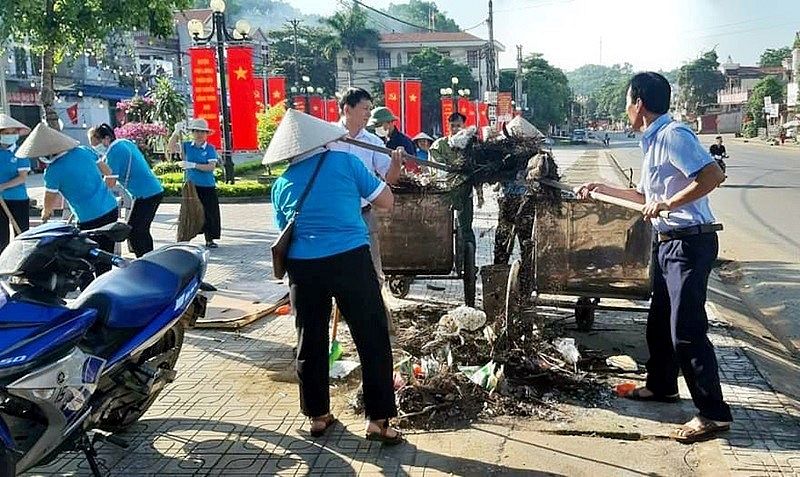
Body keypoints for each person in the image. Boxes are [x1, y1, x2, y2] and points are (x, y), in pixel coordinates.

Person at [576, 72, 731, 444]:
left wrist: (669, 204)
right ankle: (661, 386)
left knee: (686, 329)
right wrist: (602, 189)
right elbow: (645, 196)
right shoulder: (652, 141)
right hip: (668, 243)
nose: (626, 109)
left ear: (639, 103)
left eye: (628, 101)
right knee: (660, 321)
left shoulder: (674, 135)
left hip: (690, 243)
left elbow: (712, 175)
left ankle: (713, 412)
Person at [265, 108, 404, 445]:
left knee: (309, 339)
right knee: (371, 336)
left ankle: (317, 415)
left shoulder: (281, 184)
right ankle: (379, 421)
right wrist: (392, 173)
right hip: (350, 260)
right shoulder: (346, 163)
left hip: (303, 268)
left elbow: (283, 230)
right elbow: (386, 202)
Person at [16, 124, 119, 274]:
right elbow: (108, 172)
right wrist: (98, 189)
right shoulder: (84, 151)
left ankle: (90, 289)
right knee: (106, 254)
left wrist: (46, 213)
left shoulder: (53, 171)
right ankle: (106, 282)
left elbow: (49, 201)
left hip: (88, 218)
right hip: (110, 208)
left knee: (86, 258)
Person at [327, 88, 402, 287]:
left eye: (370, 109)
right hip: (333, 216)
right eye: (365, 108)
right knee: (336, 269)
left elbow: (390, 179)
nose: (369, 114)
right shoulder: (327, 139)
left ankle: (373, 311)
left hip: (363, 215)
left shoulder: (373, 142)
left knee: (372, 271)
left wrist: (395, 164)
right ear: (347, 109)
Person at [89, 124, 165, 257]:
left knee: (135, 231)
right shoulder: (123, 142)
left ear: (106, 139)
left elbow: (110, 182)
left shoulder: (115, 151)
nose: (95, 148)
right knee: (141, 229)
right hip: (150, 191)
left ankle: (145, 261)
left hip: (146, 194)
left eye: (96, 144)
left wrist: (93, 193)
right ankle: (149, 258)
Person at [429, 112, 482, 264]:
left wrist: (478, 192)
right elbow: (436, 169)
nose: (456, 129)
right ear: (448, 126)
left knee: (465, 229)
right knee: (439, 228)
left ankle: (468, 262)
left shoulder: (471, 146)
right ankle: (438, 259)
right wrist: (451, 172)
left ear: (464, 126)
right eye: (453, 126)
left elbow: (477, 170)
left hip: (465, 193)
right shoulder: (439, 145)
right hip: (443, 194)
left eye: (459, 126)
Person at [167, 118, 221, 249]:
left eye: (202, 132)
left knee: (209, 213)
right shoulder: (185, 146)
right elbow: (171, 148)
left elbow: (210, 167)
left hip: (207, 185)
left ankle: (210, 238)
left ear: (206, 134)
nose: (199, 134)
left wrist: (193, 165)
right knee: (189, 211)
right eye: (196, 131)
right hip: (191, 185)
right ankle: (186, 236)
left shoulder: (210, 149)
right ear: (193, 133)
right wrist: (175, 132)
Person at [0, 114, 32, 252]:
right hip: (1, 200)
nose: (10, 135)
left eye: (13, 132)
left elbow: (22, 177)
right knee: (1, 237)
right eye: (6, 133)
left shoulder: (21, 152)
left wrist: (2, 186)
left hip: (18, 199)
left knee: (22, 235)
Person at [369, 106, 419, 173]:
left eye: (378, 125)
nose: (376, 128)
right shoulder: (378, 140)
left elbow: (413, 168)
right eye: (375, 126)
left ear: (390, 123)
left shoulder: (404, 141)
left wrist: (405, 159)